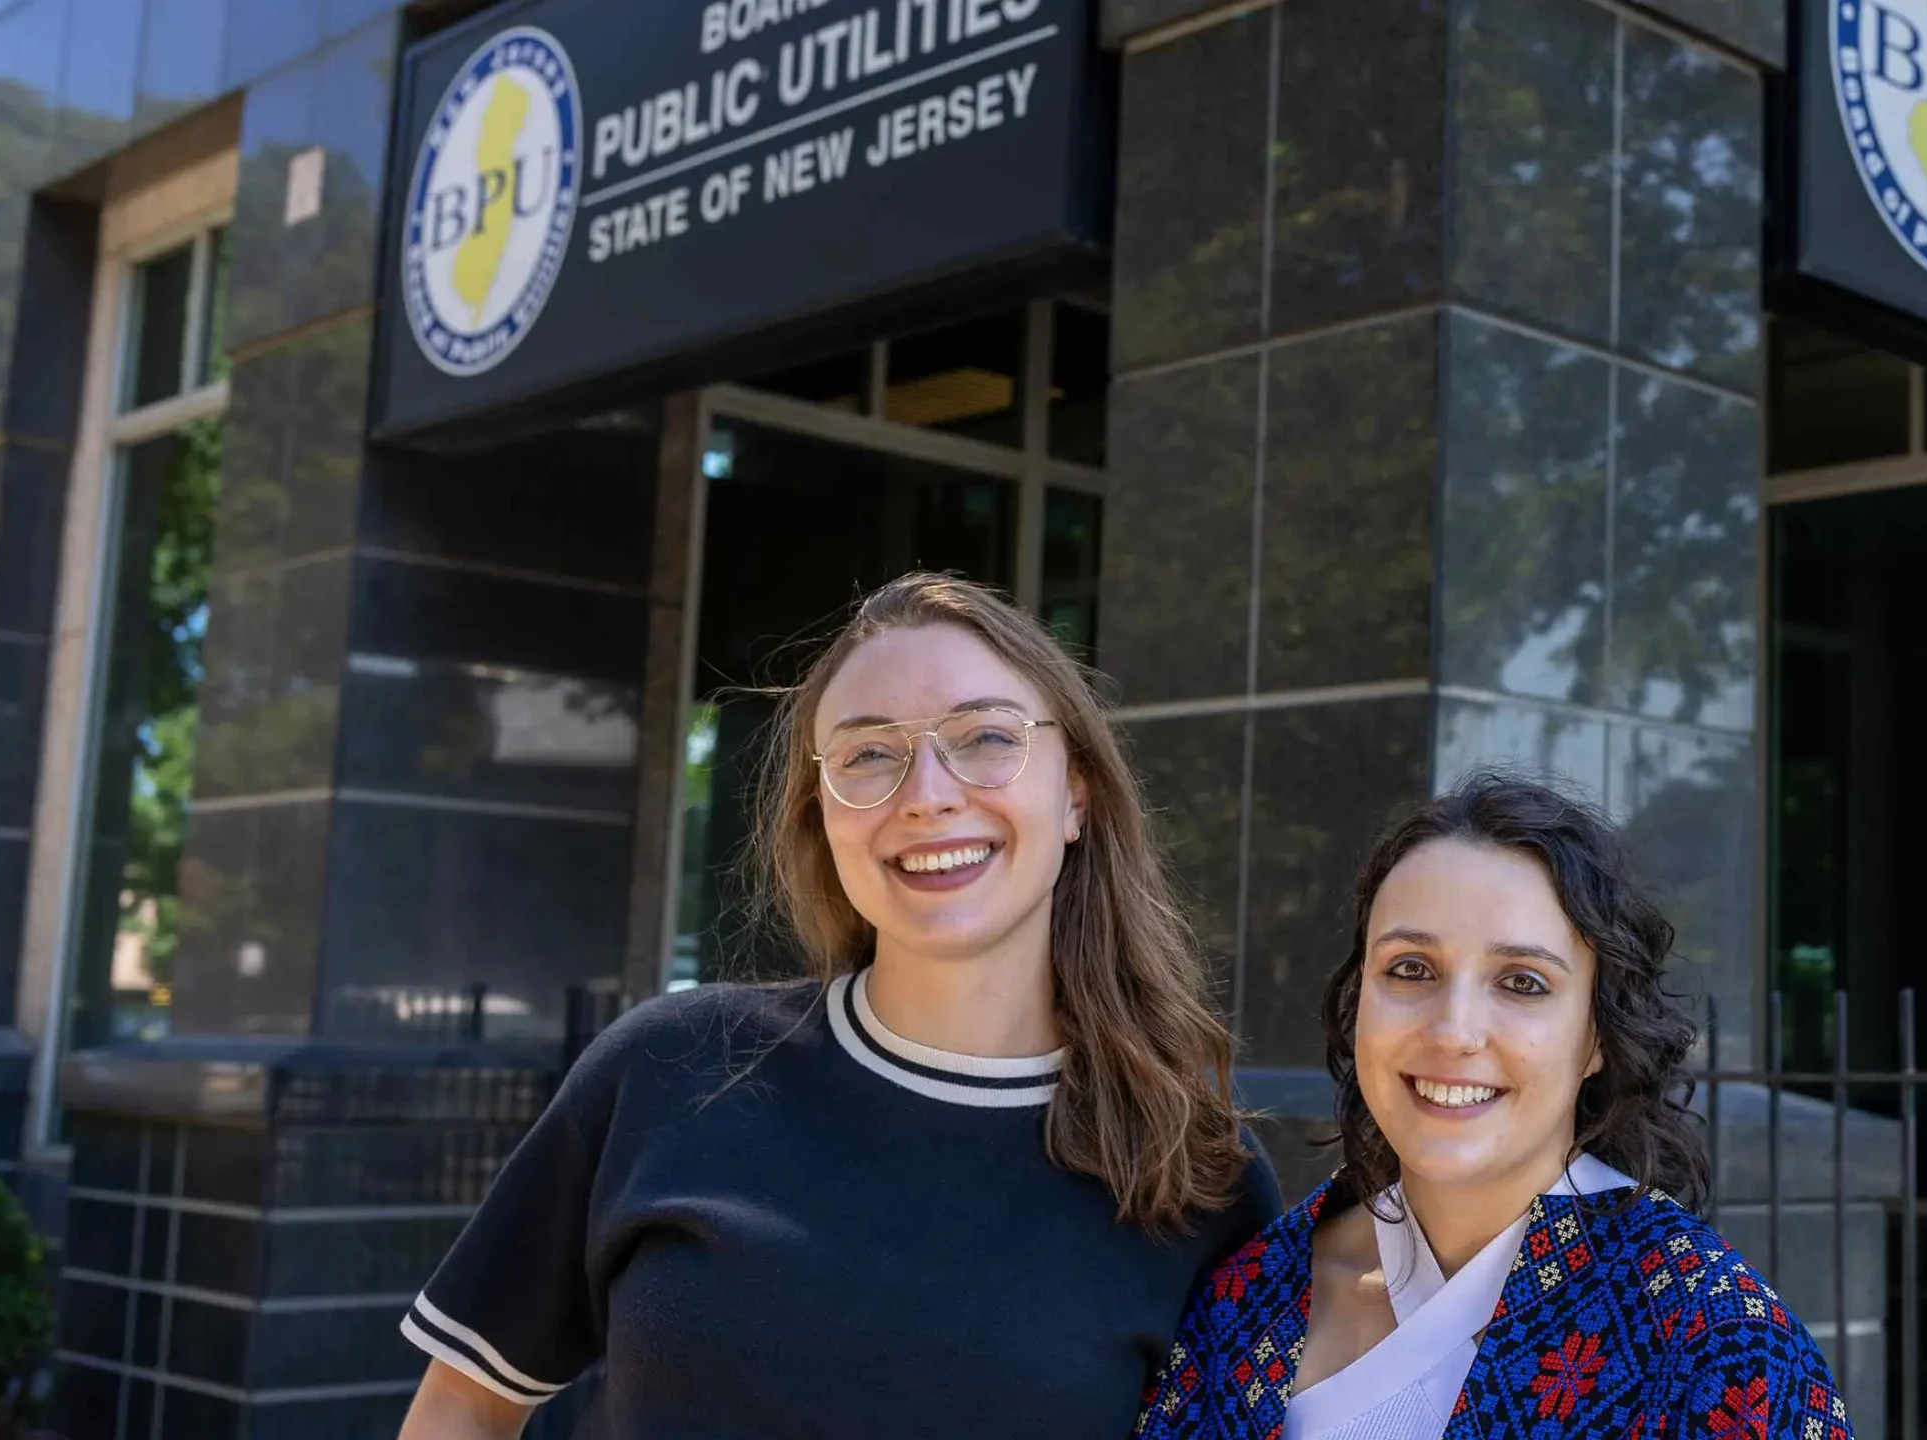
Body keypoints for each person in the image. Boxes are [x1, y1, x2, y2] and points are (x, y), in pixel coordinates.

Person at [396, 572, 1280, 1440]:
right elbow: (464, 1405)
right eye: (868, 755)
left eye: (983, 737)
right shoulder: (669, 1068)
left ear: (1076, 793)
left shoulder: (1197, 1170)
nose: (928, 795)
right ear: (821, 812)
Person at [1138, 774, 1846, 1440]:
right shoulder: (1243, 1302)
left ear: (1599, 1034)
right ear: (1358, 1004)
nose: (1454, 1031)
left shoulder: (1718, 1342)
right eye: (1410, 969)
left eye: (1523, 983)